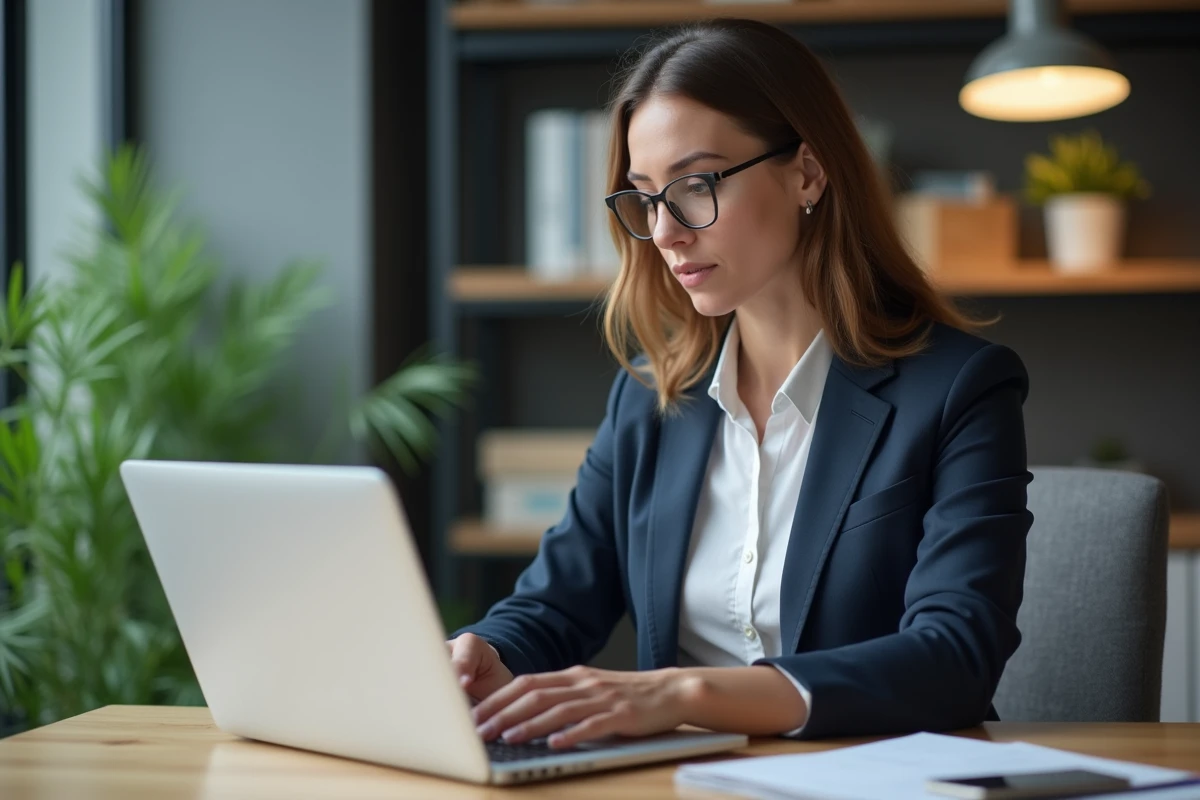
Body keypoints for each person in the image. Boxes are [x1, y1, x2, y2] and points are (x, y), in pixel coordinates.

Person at [447, 17, 1032, 749]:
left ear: (808, 173)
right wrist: (481, 655)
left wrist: (681, 692)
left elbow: (956, 657)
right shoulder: (652, 398)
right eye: (645, 196)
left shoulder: (957, 389)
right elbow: (555, 605)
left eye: (695, 186)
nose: (665, 232)